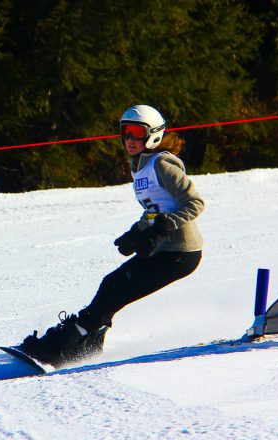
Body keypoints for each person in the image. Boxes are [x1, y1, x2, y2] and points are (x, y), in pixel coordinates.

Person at [19, 104, 204, 368]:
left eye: (137, 133)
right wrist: (137, 231)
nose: (130, 140)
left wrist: (162, 227)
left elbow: (194, 203)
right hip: (164, 249)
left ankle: (66, 346)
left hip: (180, 253)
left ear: (153, 134)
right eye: (125, 133)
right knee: (112, 285)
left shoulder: (163, 164)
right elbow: (155, 208)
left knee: (114, 289)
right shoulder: (140, 166)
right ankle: (87, 346)